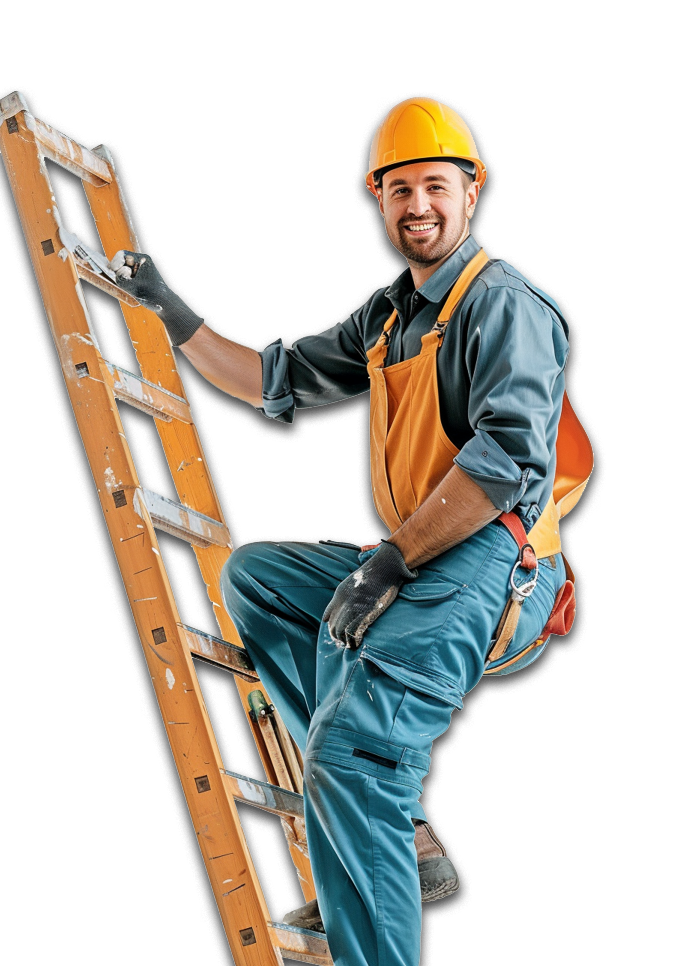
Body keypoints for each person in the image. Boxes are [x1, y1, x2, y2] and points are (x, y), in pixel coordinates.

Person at [110, 96, 589, 966]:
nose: (419, 207)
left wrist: (390, 564)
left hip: (494, 562)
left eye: (436, 186)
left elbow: (502, 465)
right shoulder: (390, 316)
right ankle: (397, 836)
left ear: (472, 191)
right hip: (420, 554)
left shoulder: (505, 305)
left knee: (352, 755)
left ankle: (372, 886)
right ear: (377, 198)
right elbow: (273, 379)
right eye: (400, 189)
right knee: (255, 578)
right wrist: (172, 314)